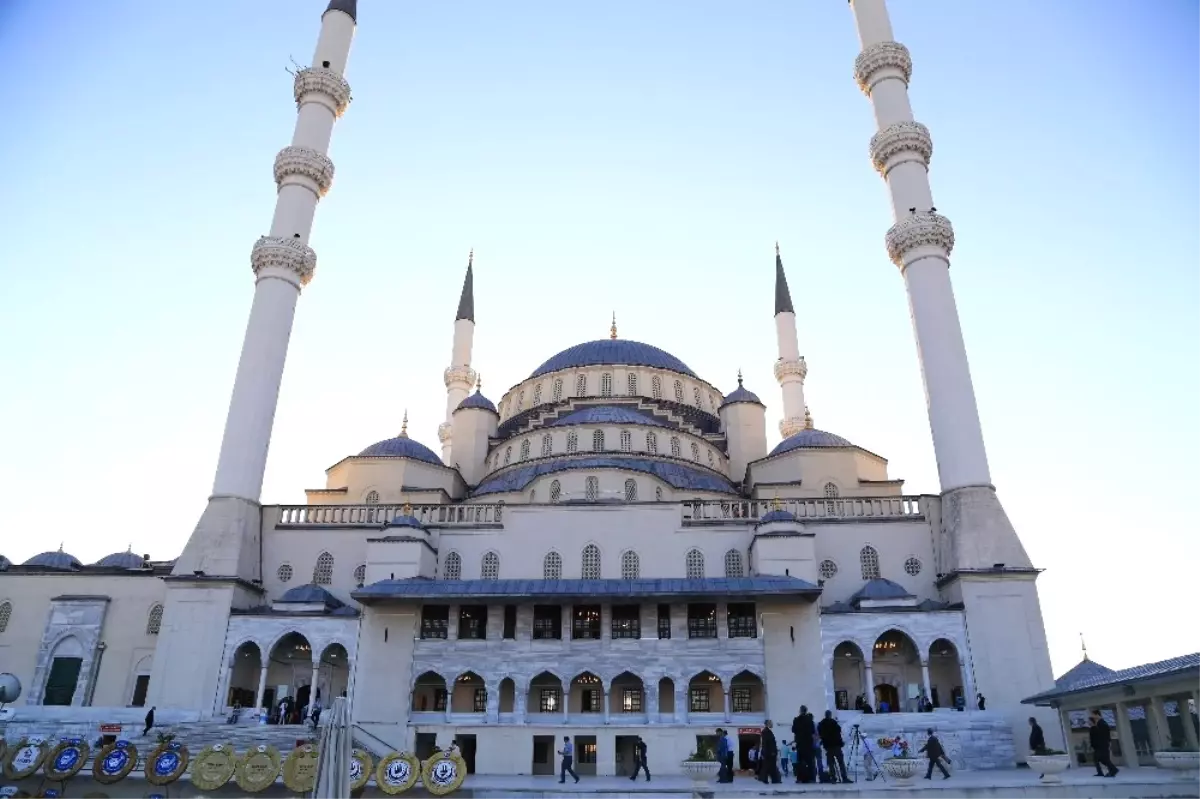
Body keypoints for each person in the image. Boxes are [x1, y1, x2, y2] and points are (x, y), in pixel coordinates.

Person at [817, 710, 850, 784]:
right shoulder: (834, 723)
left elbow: (821, 734)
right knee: (841, 762)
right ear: (830, 715)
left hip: (828, 746)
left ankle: (833, 778)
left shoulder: (821, 724)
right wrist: (841, 743)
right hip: (836, 745)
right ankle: (844, 777)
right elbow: (838, 734)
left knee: (831, 763)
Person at [1088, 711, 1118, 778]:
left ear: (1097, 715)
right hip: (1101, 744)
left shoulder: (1102, 723)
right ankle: (1111, 771)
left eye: (1093, 714)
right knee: (1101, 758)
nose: (1092, 716)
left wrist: (1105, 742)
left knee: (1104, 758)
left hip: (1102, 744)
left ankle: (1113, 770)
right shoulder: (1100, 723)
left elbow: (1103, 735)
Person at [791, 705, 816, 783]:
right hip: (808, 743)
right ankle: (811, 778)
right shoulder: (810, 720)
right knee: (809, 761)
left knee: (800, 761)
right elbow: (813, 731)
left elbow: (793, 730)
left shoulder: (796, 720)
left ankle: (800, 778)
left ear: (800, 711)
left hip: (800, 743)